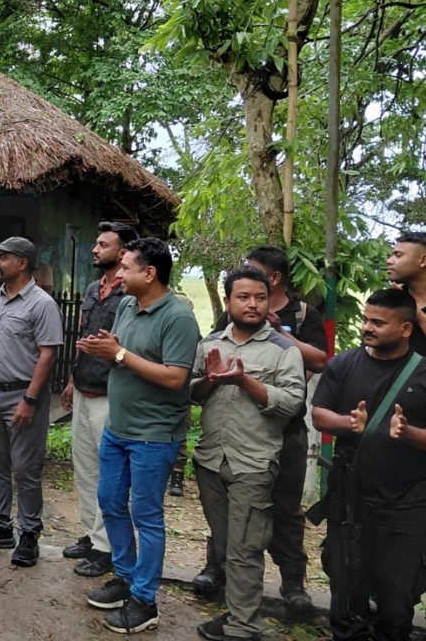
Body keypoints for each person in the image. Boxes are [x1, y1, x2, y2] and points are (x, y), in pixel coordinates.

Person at [75, 237, 199, 634]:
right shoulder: (128, 305)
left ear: (150, 273)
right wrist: (104, 349)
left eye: (126, 268)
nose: (119, 275)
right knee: (111, 502)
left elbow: (176, 377)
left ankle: (145, 600)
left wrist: (118, 355)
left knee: (146, 516)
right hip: (118, 428)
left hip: (154, 435)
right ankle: (125, 578)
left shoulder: (178, 318)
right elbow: (120, 353)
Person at [195, 244, 328, 610]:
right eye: (242, 295)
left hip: (285, 434)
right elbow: (205, 371)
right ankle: (218, 571)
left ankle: (292, 582)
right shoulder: (227, 323)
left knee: (285, 510)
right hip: (232, 437)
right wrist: (212, 378)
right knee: (230, 516)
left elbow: (319, 360)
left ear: (274, 280)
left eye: (259, 290)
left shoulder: (303, 314)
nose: (251, 301)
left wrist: (277, 334)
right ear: (229, 300)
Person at [311, 289, 426, 641]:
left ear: (405, 329)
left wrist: (408, 433)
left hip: (406, 503)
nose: (367, 328)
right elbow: (319, 415)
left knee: (397, 594)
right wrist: (349, 423)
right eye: (365, 320)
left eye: (378, 322)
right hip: (350, 498)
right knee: (347, 589)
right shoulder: (343, 364)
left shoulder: (423, 373)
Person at [0, 237, 63, 567]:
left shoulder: (41, 304)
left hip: (23, 395)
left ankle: (30, 534)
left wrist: (30, 399)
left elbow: (47, 354)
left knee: (25, 468)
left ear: (22, 263)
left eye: (3, 257)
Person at [58, 221, 138, 576]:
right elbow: (85, 337)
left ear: (123, 252)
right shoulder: (94, 288)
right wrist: (71, 380)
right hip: (84, 388)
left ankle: (108, 547)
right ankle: (92, 536)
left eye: (103, 244)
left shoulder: (131, 294)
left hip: (111, 393)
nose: (95, 249)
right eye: (96, 243)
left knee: (111, 476)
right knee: (85, 469)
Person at [386, 231, 426, 354]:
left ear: (423, 260)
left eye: (398, 255)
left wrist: (414, 309)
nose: (389, 261)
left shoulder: (405, 302)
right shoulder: (392, 300)